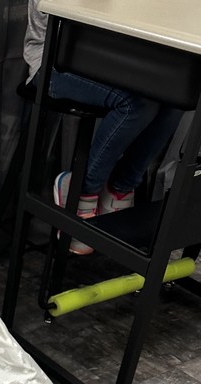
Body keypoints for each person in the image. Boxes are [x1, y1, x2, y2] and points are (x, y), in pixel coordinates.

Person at [24, 0, 185, 254]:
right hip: (53, 61)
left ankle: (119, 189)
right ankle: (81, 189)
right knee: (137, 104)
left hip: (108, 60)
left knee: (175, 98)